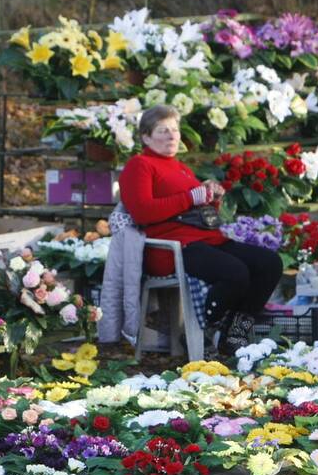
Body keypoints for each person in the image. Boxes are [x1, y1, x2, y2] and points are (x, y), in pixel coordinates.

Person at [119, 104, 283, 353]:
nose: (172, 135)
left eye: (174, 130)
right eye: (163, 130)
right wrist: (191, 198)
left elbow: (194, 209)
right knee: (234, 272)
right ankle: (207, 329)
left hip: (207, 239)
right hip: (172, 246)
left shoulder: (181, 168)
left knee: (269, 263)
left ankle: (233, 333)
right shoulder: (139, 165)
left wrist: (210, 197)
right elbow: (142, 212)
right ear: (145, 136)